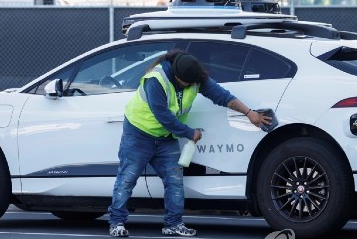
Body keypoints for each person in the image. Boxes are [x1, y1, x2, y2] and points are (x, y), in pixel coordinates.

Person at [107, 49, 271, 237]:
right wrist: (188, 133)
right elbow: (163, 116)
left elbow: (222, 96)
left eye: (192, 84)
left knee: (174, 181)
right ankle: (117, 223)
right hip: (139, 134)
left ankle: (173, 224)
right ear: (176, 75)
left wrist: (249, 112)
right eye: (185, 83)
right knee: (127, 179)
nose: (189, 86)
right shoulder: (156, 79)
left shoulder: (195, 78)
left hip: (166, 138)